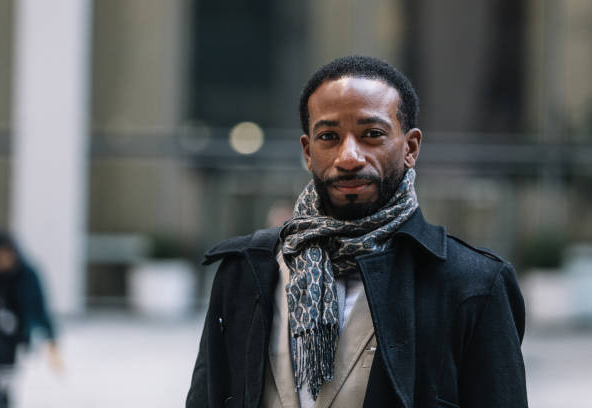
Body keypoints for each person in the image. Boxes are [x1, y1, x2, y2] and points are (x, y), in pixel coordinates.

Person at [186, 56, 527, 407]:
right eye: (329, 136)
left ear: (410, 148)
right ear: (307, 151)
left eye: (372, 135)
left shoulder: (473, 283)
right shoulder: (246, 271)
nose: (349, 156)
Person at [0, 232, 59, 408]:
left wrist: (51, 339)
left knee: (2, 381)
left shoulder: (27, 275)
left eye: (2, 255)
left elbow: (38, 308)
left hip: (12, 339)